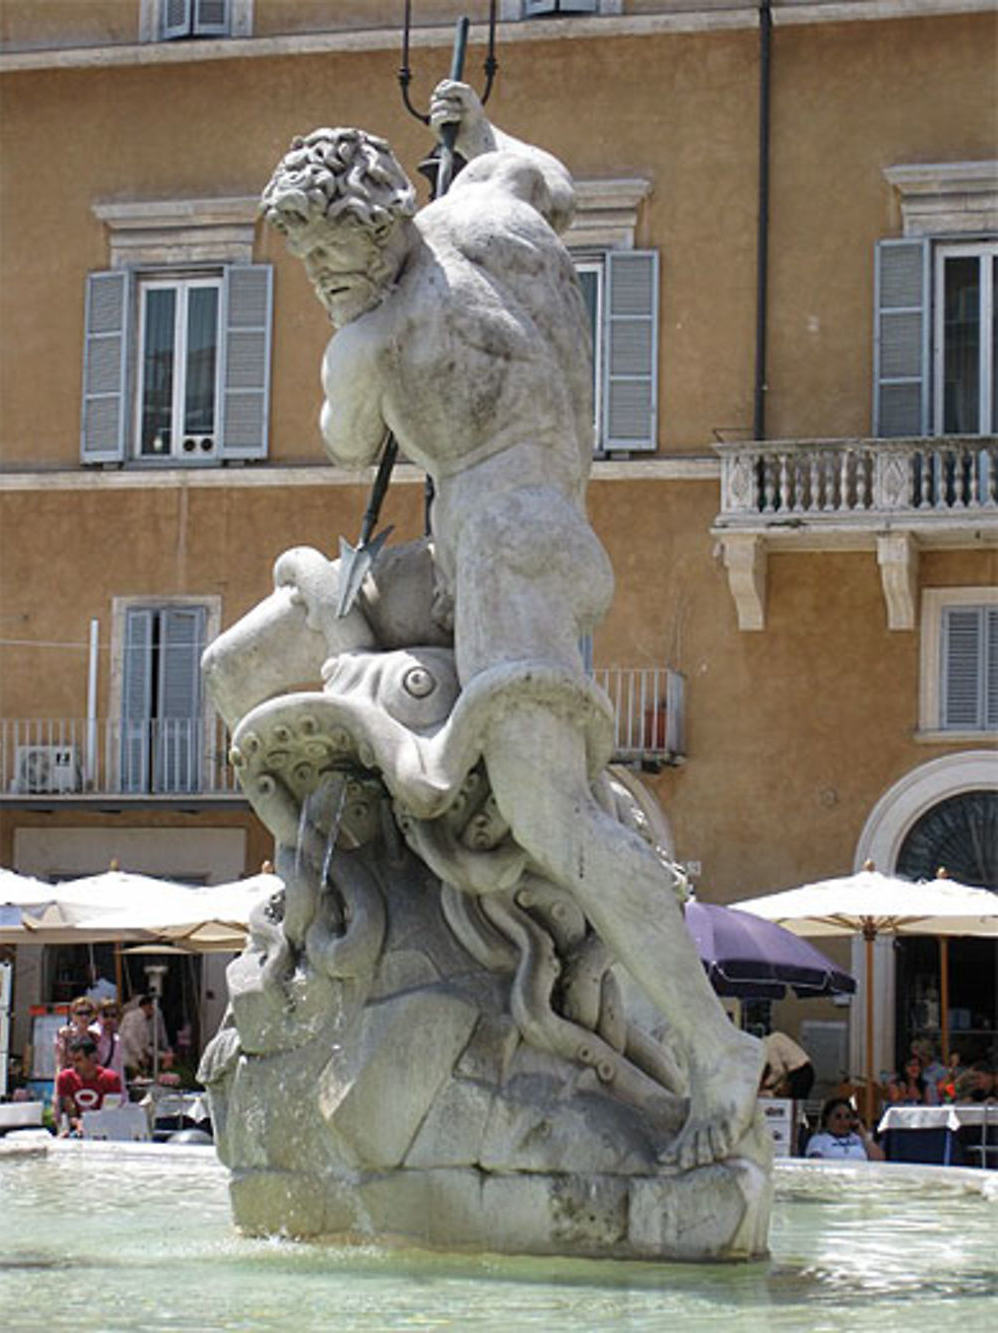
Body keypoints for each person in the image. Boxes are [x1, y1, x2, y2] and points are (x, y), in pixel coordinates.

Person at [204, 78, 763, 1171]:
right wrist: (477, 132)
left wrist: (365, 338)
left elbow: (339, 437)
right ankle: (317, 912)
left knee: (554, 819)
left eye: (329, 261)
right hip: (485, 545)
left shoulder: (363, 341)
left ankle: (713, 1051)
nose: (322, 284)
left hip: (509, 548)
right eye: (310, 266)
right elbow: (546, 178)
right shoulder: (485, 207)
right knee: (240, 667)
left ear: (378, 229)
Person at [54, 1035, 123, 1135]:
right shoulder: (65, 1078)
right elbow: (70, 1110)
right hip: (76, 1131)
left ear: (92, 1057)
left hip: (104, 1130)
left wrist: (90, 1125)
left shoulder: (111, 1079)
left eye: (78, 1060)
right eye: (71, 1060)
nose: (74, 1065)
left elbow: (109, 1112)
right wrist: (78, 1123)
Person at [805, 1097, 884, 1161]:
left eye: (847, 1117)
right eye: (838, 1117)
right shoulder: (819, 1140)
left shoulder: (858, 1139)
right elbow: (815, 1163)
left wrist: (863, 1134)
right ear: (827, 1119)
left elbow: (878, 1159)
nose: (843, 1121)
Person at [119, 995, 172, 1078]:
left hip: (134, 1061)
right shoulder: (133, 1016)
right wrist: (140, 1056)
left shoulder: (144, 1020)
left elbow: (146, 1047)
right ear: (147, 1006)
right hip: (126, 1060)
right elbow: (129, 1037)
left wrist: (163, 1055)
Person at [53, 995, 100, 1075]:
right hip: (71, 1080)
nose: (84, 1017)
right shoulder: (65, 1036)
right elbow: (60, 1064)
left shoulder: (95, 1037)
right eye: (80, 1013)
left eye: (87, 1013)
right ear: (73, 1016)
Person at [760, 1031, 815, 1100]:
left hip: (799, 1074)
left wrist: (765, 1085)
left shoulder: (767, 1046)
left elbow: (778, 1071)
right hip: (807, 1070)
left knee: (792, 1103)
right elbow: (783, 1071)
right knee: (798, 1104)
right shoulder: (776, 1037)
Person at [94, 997, 126, 1085]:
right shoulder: (92, 1035)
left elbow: (119, 1070)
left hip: (111, 1088)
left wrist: (123, 1095)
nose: (109, 1019)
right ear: (97, 1015)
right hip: (93, 1089)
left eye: (113, 1015)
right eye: (105, 1015)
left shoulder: (116, 1040)